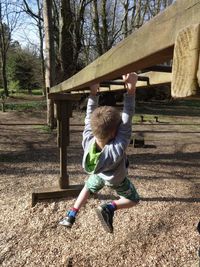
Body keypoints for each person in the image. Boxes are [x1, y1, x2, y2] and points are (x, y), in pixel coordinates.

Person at [59, 72, 140, 233]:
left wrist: (93, 92)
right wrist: (130, 90)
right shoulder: (117, 148)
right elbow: (127, 117)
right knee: (133, 199)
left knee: (87, 187)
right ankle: (109, 207)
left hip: (99, 173)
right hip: (116, 179)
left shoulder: (88, 140)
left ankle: (71, 215)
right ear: (114, 133)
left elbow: (90, 117)